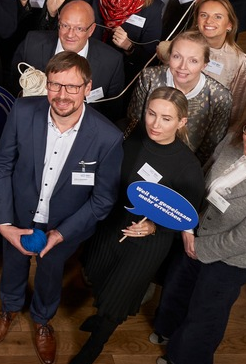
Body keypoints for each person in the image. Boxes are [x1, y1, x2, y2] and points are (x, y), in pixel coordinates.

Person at [0, 52, 123, 364]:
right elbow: (3, 167)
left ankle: (42, 320)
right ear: (46, 85)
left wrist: (60, 235)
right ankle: (8, 307)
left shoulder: (108, 137)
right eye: (55, 85)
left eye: (72, 87)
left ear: (88, 87)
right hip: (19, 214)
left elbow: (102, 200)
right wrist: (5, 223)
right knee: (14, 264)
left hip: (66, 225)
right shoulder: (22, 110)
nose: (62, 95)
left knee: (50, 273)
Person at [152, 104, 246, 364]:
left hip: (227, 260)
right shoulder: (231, 142)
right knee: (176, 289)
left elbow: (243, 238)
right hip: (191, 235)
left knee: (205, 316)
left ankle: (181, 358)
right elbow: (200, 182)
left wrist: (199, 247)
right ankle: (166, 331)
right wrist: (187, 229)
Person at [73, 86, 205, 364]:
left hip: (146, 242)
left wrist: (155, 228)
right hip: (112, 225)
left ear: (182, 122)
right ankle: (99, 320)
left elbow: (184, 217)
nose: (156, 124)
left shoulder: (188, 167)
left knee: (118, 297)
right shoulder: (128, 134)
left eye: (166, 118)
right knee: (97, 276)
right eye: (151, 113)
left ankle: (94, 347)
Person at [125, 30, 233, 164]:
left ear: (204, 64)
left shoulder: (220, 97)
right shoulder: (149, 78)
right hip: (142, 153)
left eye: (193, 61)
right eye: (177, 57)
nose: (183, 66)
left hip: (184, 164)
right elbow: (133, 121)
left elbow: (210, 147)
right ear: (169, 56)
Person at [9, 0, 125, 115]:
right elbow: (12, 87)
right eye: (65, 26)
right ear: (59, 23)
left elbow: (112, 112)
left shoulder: (111, 61)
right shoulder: (32, 43)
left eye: (79, 28)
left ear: (91, 30)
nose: (70, 34)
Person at [190, 0, 246, 121]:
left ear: (229, 24)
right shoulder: (181, 46)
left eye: (218, 17)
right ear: (197, 20)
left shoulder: (239, 61)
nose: (209, 21)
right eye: (203, 15)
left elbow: (235, 108)